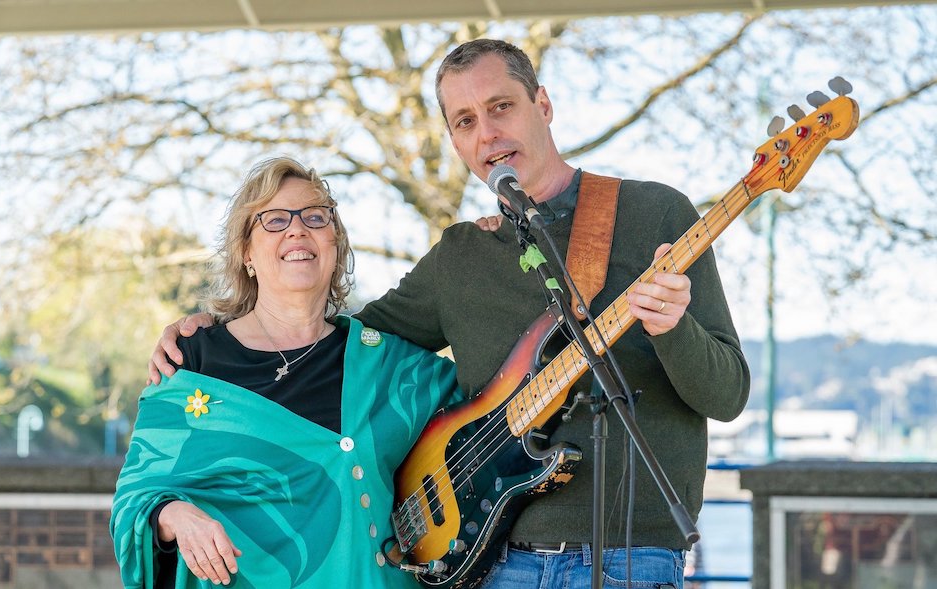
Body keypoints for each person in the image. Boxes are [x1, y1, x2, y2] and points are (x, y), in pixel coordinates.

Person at [149, 39, 749, 589]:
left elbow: (727, 395)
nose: (487, 134)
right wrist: (217, 331)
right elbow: (336, 350)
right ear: (455, 140)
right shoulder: (462, 254)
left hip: (633, 557)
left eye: (501, 107)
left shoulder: (655, 215)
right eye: (465, 121)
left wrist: (675, 330)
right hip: (494, 564)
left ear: (543, 103)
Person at [111, 156, 461, 589]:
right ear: (246, 252)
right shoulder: (192, 360)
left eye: (316, 217)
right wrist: (176, 516)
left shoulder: (390, 366)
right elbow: (134, 500)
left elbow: (491, 407)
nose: (298, 229)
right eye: (274, 220)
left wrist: (490, 250)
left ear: (335, 244)